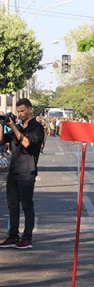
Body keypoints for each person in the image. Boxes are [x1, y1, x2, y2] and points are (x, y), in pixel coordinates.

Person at [0, 99, 45, 250]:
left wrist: (13, 126)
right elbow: (1, 141)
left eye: (22, 111)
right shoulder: (16, 127)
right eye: (18, 111)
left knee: (27, 205)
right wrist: (2, 124)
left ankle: (27, 238)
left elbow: (26, 143)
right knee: (12, 205)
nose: (20, 114)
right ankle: (13, 235)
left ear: (30, 110)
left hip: (27, 171)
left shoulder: (37, 128)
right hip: (13, 170)